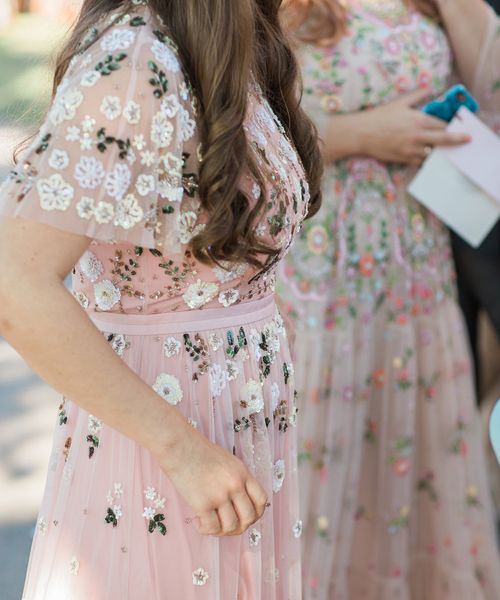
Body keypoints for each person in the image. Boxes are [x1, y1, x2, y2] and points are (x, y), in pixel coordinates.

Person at [0, 1, 322, 598]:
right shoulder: (136, 59)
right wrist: (183, 452)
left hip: (238, 429)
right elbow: (13, 284)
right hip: (168, 438)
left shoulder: (233, 42)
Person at [277, 0, 500, 598]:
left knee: (415, 472)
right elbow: (228, 125)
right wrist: (358, 133)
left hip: (419, 283)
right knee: (321, 471)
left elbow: (494, 86)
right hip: (321, 287)